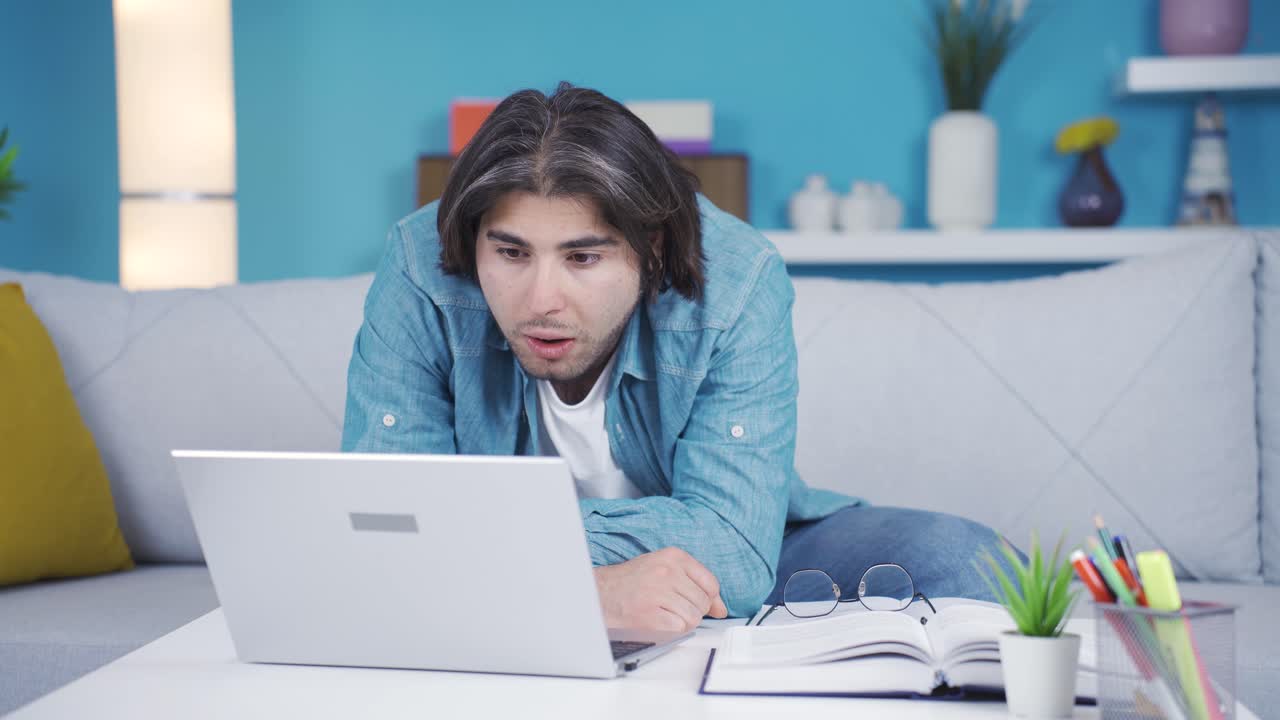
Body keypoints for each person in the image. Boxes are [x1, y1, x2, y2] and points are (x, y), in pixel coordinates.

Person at [342, 81, 1009, 633]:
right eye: (511, 253)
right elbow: (385, 529)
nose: (541, 299)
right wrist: (594, 592)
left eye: (583, 257)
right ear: (474, 238)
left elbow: (740, 556)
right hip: (503, 571)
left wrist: (506, 545)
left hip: (722, 545)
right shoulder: (419, 265)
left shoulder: (738, 277)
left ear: (653, 247)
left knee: (967, 561)